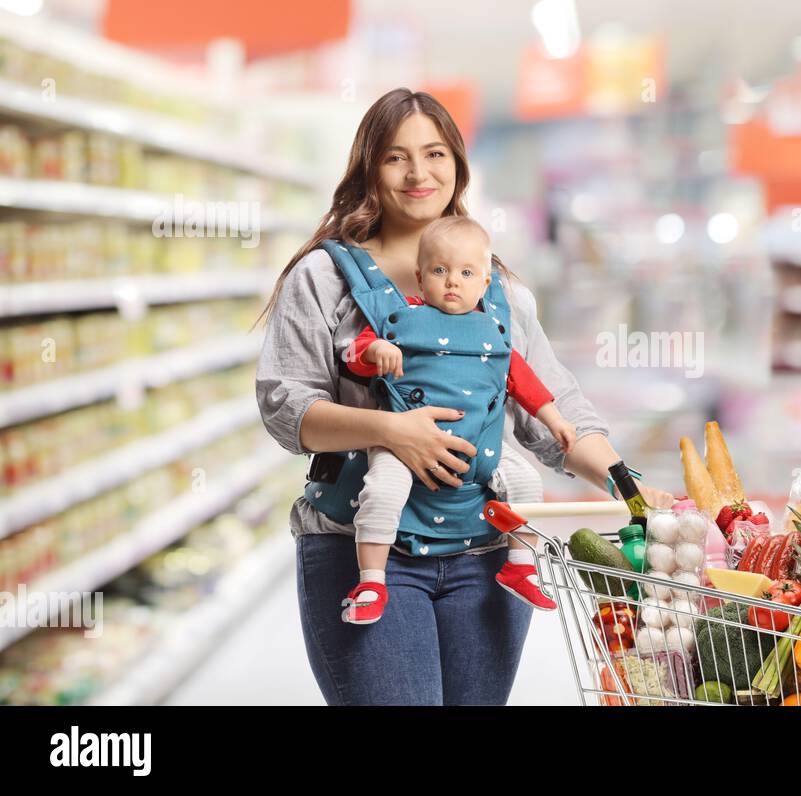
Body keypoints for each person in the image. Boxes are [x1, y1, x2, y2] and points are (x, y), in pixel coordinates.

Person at [253, 87, 672, 705]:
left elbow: (555, 417)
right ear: (369, 168)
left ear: (458, 165)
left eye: (435, 154)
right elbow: (285, 407)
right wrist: (392, 432)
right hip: (361, 548)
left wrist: (628, 484)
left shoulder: (500, 292)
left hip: (487, 557)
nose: (419, 173)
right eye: (396, 157)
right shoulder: (324, 277)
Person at [342, 215, 575, 621]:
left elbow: (522, 380)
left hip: (479, 442)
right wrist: (374, 350)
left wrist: (554, 418)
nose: (452, 281)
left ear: (485, 283)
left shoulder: (491, 331)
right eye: (439, 270)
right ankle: (372, 580)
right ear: (419, 277)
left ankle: (520, 565)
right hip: (401, 442)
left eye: (466, 272)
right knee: (381, 492)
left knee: (526, 482)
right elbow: (353, 355)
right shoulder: (398, 321)